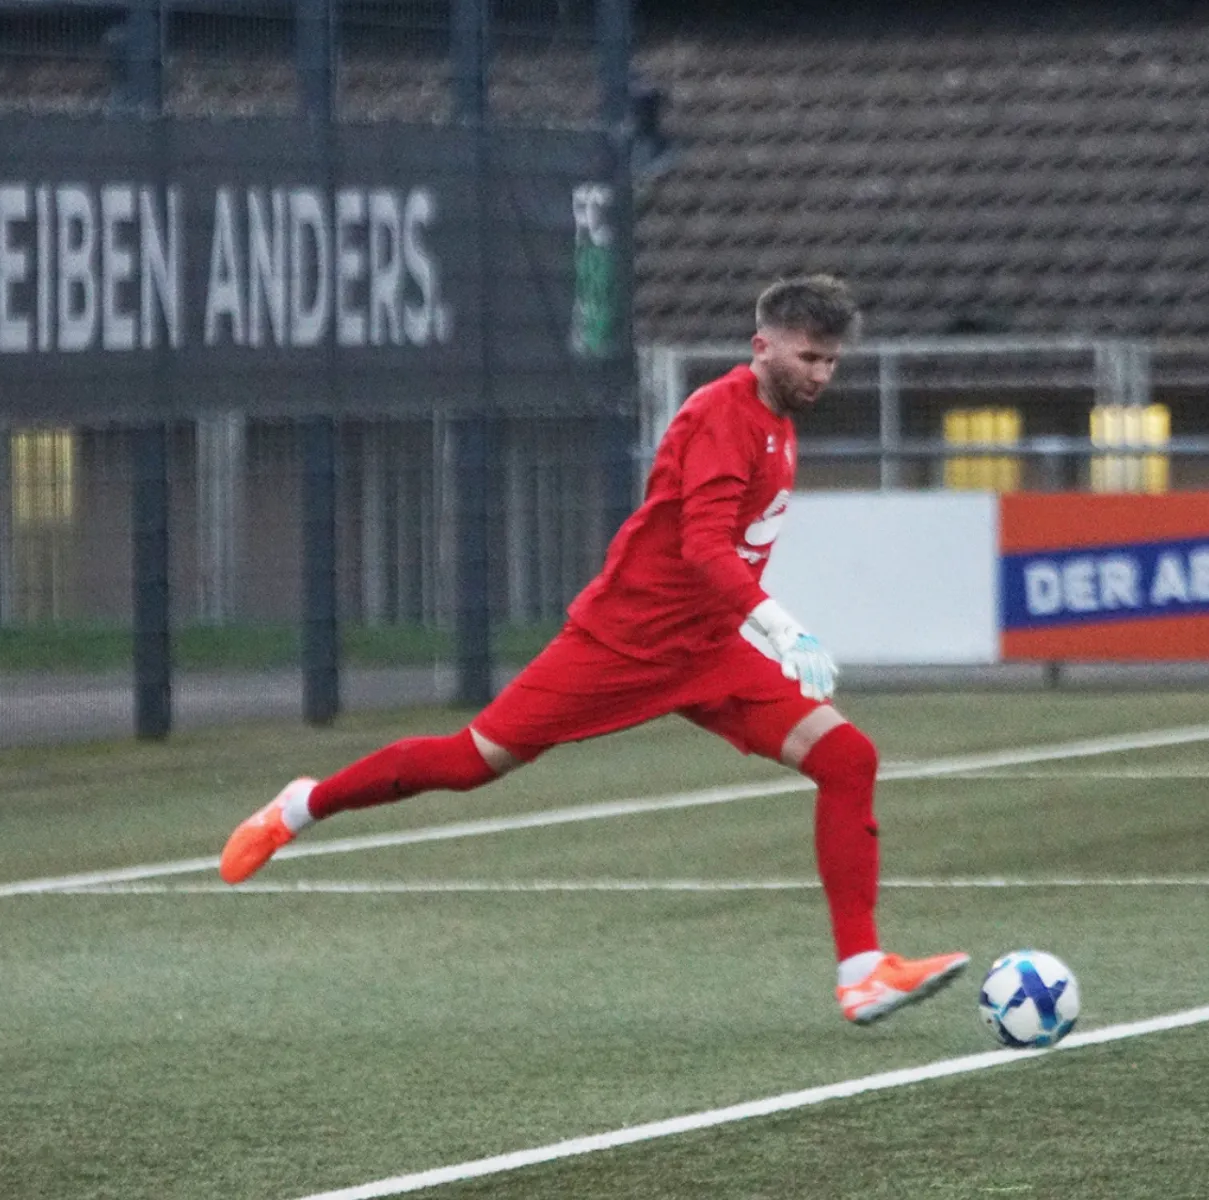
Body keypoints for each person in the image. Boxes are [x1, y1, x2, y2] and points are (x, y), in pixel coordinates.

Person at [220, 275, 968, 1025]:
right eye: (808, 357)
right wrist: (778, 624)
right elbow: (704, 543)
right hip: (623, 642)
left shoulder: (780, 423)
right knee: (469, 762)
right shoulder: (721, 415)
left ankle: (863, 971)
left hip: (708, 651)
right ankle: (301, 806)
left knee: (848, 758)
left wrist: (749, 630)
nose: (820, 375)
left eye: (831, 362)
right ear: (761, 346)